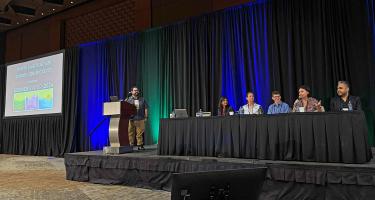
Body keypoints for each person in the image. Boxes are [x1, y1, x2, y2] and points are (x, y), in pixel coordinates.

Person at [125, 86, 148, 150]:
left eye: (137, 90)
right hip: (131, 119)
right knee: (130, 132)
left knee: (140, 133)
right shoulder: (128, 100)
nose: (136, 91)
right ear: (131, 92)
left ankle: (140, 145)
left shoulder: (142, 99)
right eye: (135, 90)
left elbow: (146, 108)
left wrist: (146, 117)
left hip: (140, 118)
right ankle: (130, 145)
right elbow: (124, 107)